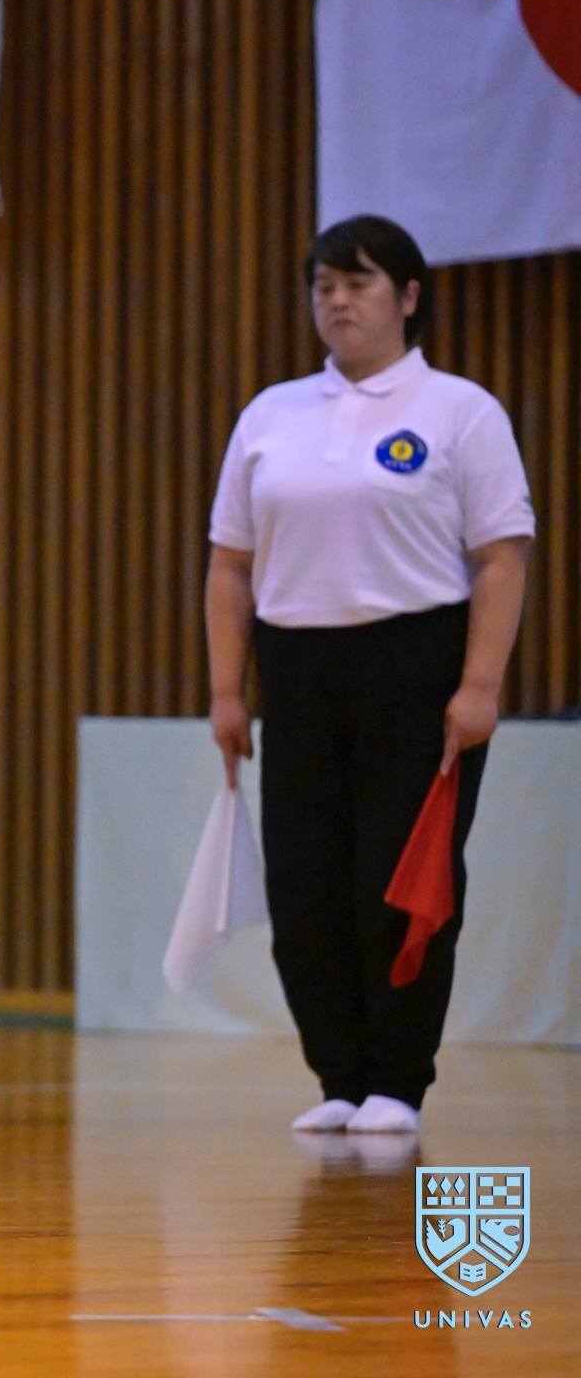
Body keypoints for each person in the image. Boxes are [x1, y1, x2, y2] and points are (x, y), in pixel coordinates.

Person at [207, 215, 533, 1137]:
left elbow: (501, 557)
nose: (337, 301)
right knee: (304, 888)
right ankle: (339, 1079)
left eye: (358, 283)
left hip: (415, 670)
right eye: (323, 286)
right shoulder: (270, 416)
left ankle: (397, 1081)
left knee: (398, 883)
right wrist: (228, 692)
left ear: (409, 296)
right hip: (298, 673)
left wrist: (479, 686)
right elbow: (230, 565)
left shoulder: (460, 411)